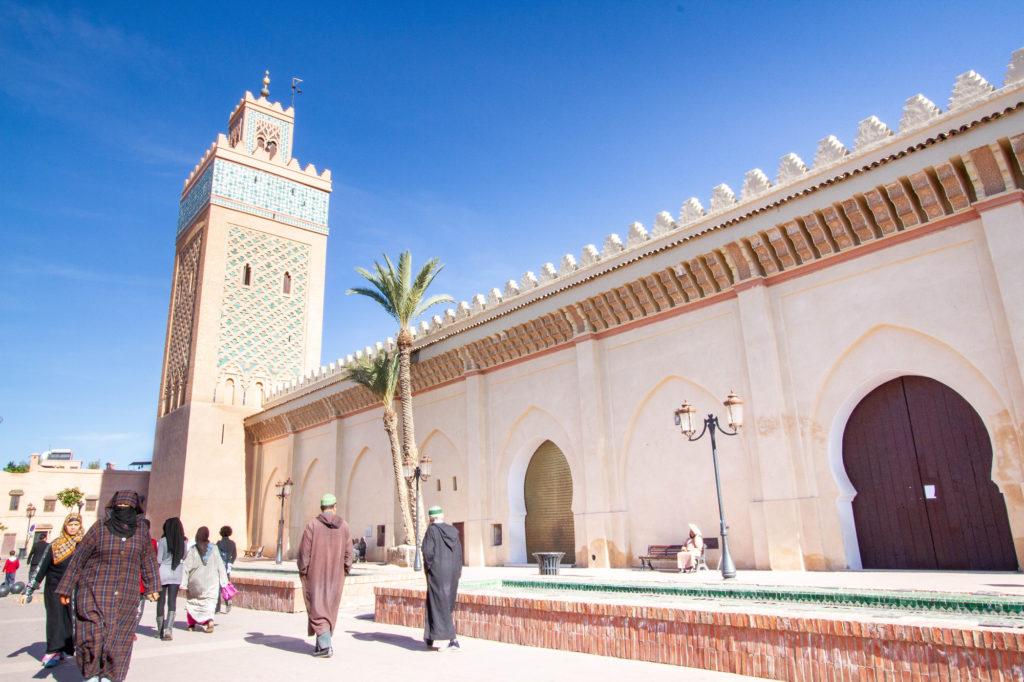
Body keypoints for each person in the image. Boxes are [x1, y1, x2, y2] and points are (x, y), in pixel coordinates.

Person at [55, 490, 159, 682]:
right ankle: (92, 674)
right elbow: (79, 559)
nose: (123, 511)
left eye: (127, 508)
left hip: (126, 595)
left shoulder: (140, 532)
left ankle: (111, 676)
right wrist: (66, 587)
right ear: (113, 508)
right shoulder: (100, 528)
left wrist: (153, 586)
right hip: (94, 590)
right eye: (120, 508)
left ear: (135, 510)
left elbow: (149, 560)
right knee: (92, 633)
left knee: (119, 639)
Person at [23, 514, 83, 668]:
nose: (73, 527)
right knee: (55, 618)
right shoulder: (55, 545)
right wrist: (29, 589)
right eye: (70, 524)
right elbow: (41, 567)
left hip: (75, 589)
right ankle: (53, 650)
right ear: (65, 526)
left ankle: (67, 649)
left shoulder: (83, 545)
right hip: (54, 588)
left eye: (76, 524)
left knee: (71, 618)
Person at [297, 493, 352, 658]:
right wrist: (345, 570)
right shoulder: (344, 526)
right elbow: (349, 554)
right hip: (336, 576)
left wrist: (304, 570)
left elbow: (303, 554)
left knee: (317, 606)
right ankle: (321, 644)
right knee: (329, 607)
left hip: (316, 575)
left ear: (321, 508)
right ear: (334, 507)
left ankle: (325, 646)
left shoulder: (312, 525)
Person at [422, 505, 463, 651]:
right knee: (446, 604)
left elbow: (428, 553)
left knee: (438, 605)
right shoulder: (453, 531)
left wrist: (429, 569)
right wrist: (457, 571)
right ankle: (430, 637)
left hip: (438, 573)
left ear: (431, 518)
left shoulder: (432, 531)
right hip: (452, 573)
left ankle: (453, 640)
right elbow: (459, 554)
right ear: (442, 516)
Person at [182, 526, 228, 633]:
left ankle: (191, 624)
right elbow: (220, 565)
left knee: (193, 602)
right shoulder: (214, 548)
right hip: (211, 582)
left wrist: (183, 583)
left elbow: (186, 567)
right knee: (209, 603)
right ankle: (210, 622)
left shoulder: (193, 549)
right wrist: (224, 582)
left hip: (195, 583)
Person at [155, 517, 186, 640]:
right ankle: (169, 630)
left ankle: (160, 629)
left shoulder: (163, 541)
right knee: (172, 602)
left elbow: (158, 559)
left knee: (160, 601)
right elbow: (183, 556)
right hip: (176, 572)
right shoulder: (183, 542)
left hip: (163, 572)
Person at [215, 525, 237, 614]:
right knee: (226, 585)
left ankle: (217, 607)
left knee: (217, 587)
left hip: (219, 566)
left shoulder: (219, 543)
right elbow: (234, 555)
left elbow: (215, 555)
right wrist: (230, 563)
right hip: (227, 567)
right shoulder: (232, 543)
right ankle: (228, 601)